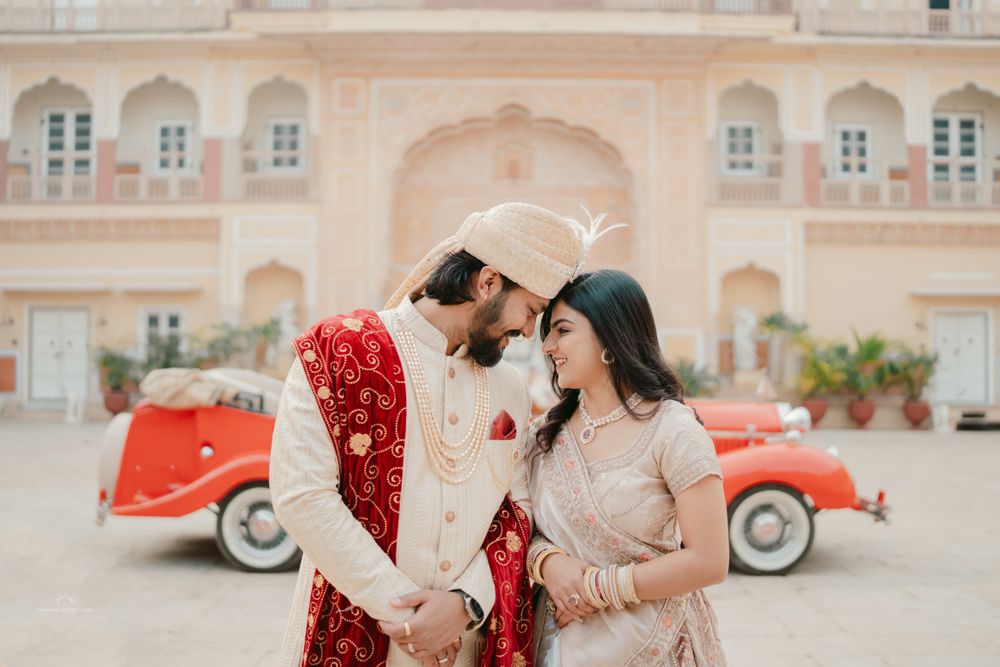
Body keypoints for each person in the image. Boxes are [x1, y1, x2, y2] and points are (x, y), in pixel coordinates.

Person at [270, 202, 586, 667]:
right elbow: (302, 495)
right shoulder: (339, 350)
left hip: (465, 643)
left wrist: (464, 605)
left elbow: (516, 509)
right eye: (530, 310)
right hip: (356, 627)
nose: (526, 332)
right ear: (488, 282)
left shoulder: (510, 388)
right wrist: (410, 615)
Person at [527, 269, 729, 666]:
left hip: (653, 644)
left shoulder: (673, 431)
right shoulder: (543, 435)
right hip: (556, 642)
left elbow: (709, 560)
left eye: (562, 331)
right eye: (547, 333)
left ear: (609, 336)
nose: (549, 346)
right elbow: (517, 526)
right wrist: (549, 563)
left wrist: (595, 587)